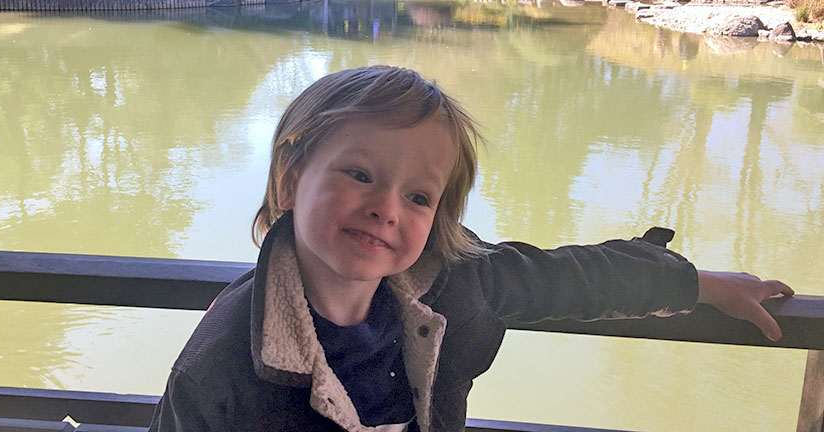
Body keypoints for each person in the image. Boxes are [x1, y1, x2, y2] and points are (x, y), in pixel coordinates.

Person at [149, 66, 793, 432]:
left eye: (419, 197)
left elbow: (572, 277)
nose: (387, 209)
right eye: (360, 174)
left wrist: (700, 286)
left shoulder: (457, 284)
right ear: (292, 180)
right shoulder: (224, 360)